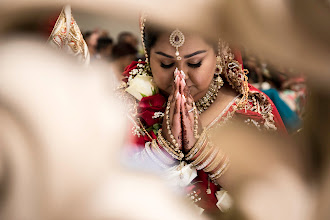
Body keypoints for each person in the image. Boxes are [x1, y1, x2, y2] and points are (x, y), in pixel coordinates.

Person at [117, 16, 287, 216]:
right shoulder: (124, 107)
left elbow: (279, 200)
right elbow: (97, 187)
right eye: (165, 63)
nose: (180, 75)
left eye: (195, 63)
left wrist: (204, 153)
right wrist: (161, 151)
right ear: (148, 55)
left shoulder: (250, 111)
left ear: (219, 54)